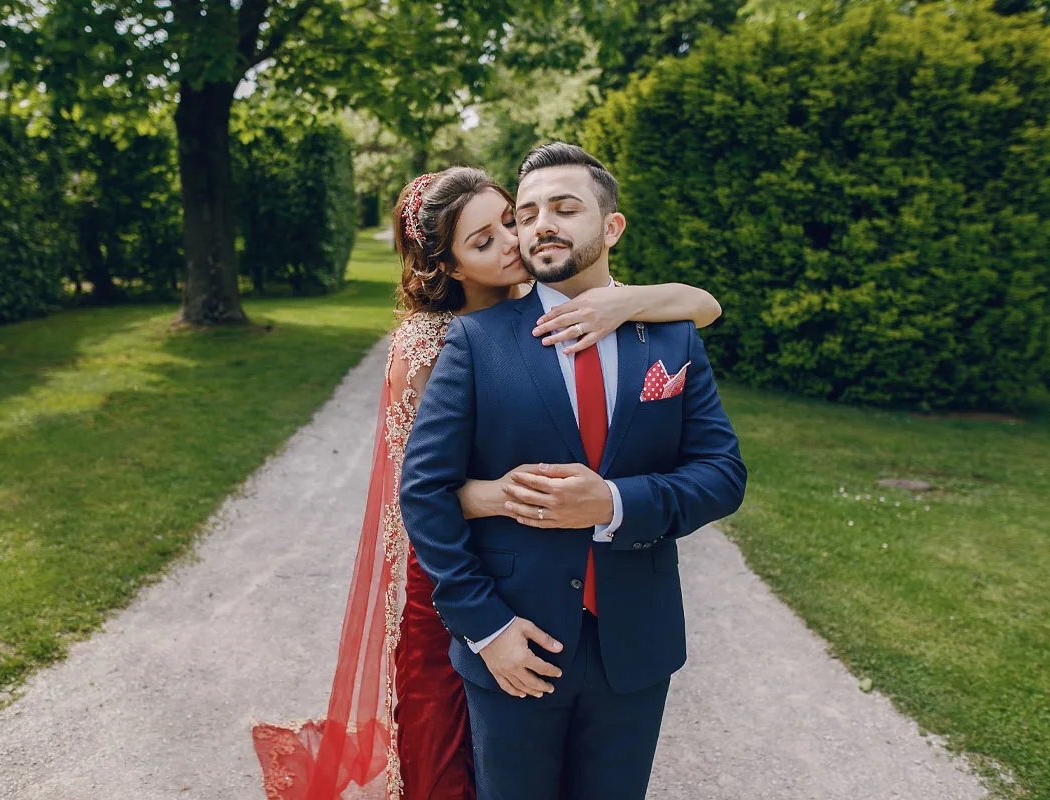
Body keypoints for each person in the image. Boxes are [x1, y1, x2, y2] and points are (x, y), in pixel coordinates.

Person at [251, 164, 724, 800]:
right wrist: (499, 525)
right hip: (476, 588)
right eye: (492, 237)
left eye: (512, 220)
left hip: (627, 630)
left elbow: (705, 327)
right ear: (451, 266)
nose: (515, 241)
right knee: (451, 756)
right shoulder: (448, 342)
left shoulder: (635, 323)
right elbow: (420, 485)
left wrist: (627, 300)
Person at [398, 144, 747, 800]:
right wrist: (487, 628)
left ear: (611, 227)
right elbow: (422, 491)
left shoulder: (671, 338)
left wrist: (614, 502)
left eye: (563, 207)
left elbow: (723, 473)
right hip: (513, 641)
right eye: (525, 214)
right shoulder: (475, 342)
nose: (538, 225)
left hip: (635, 647)